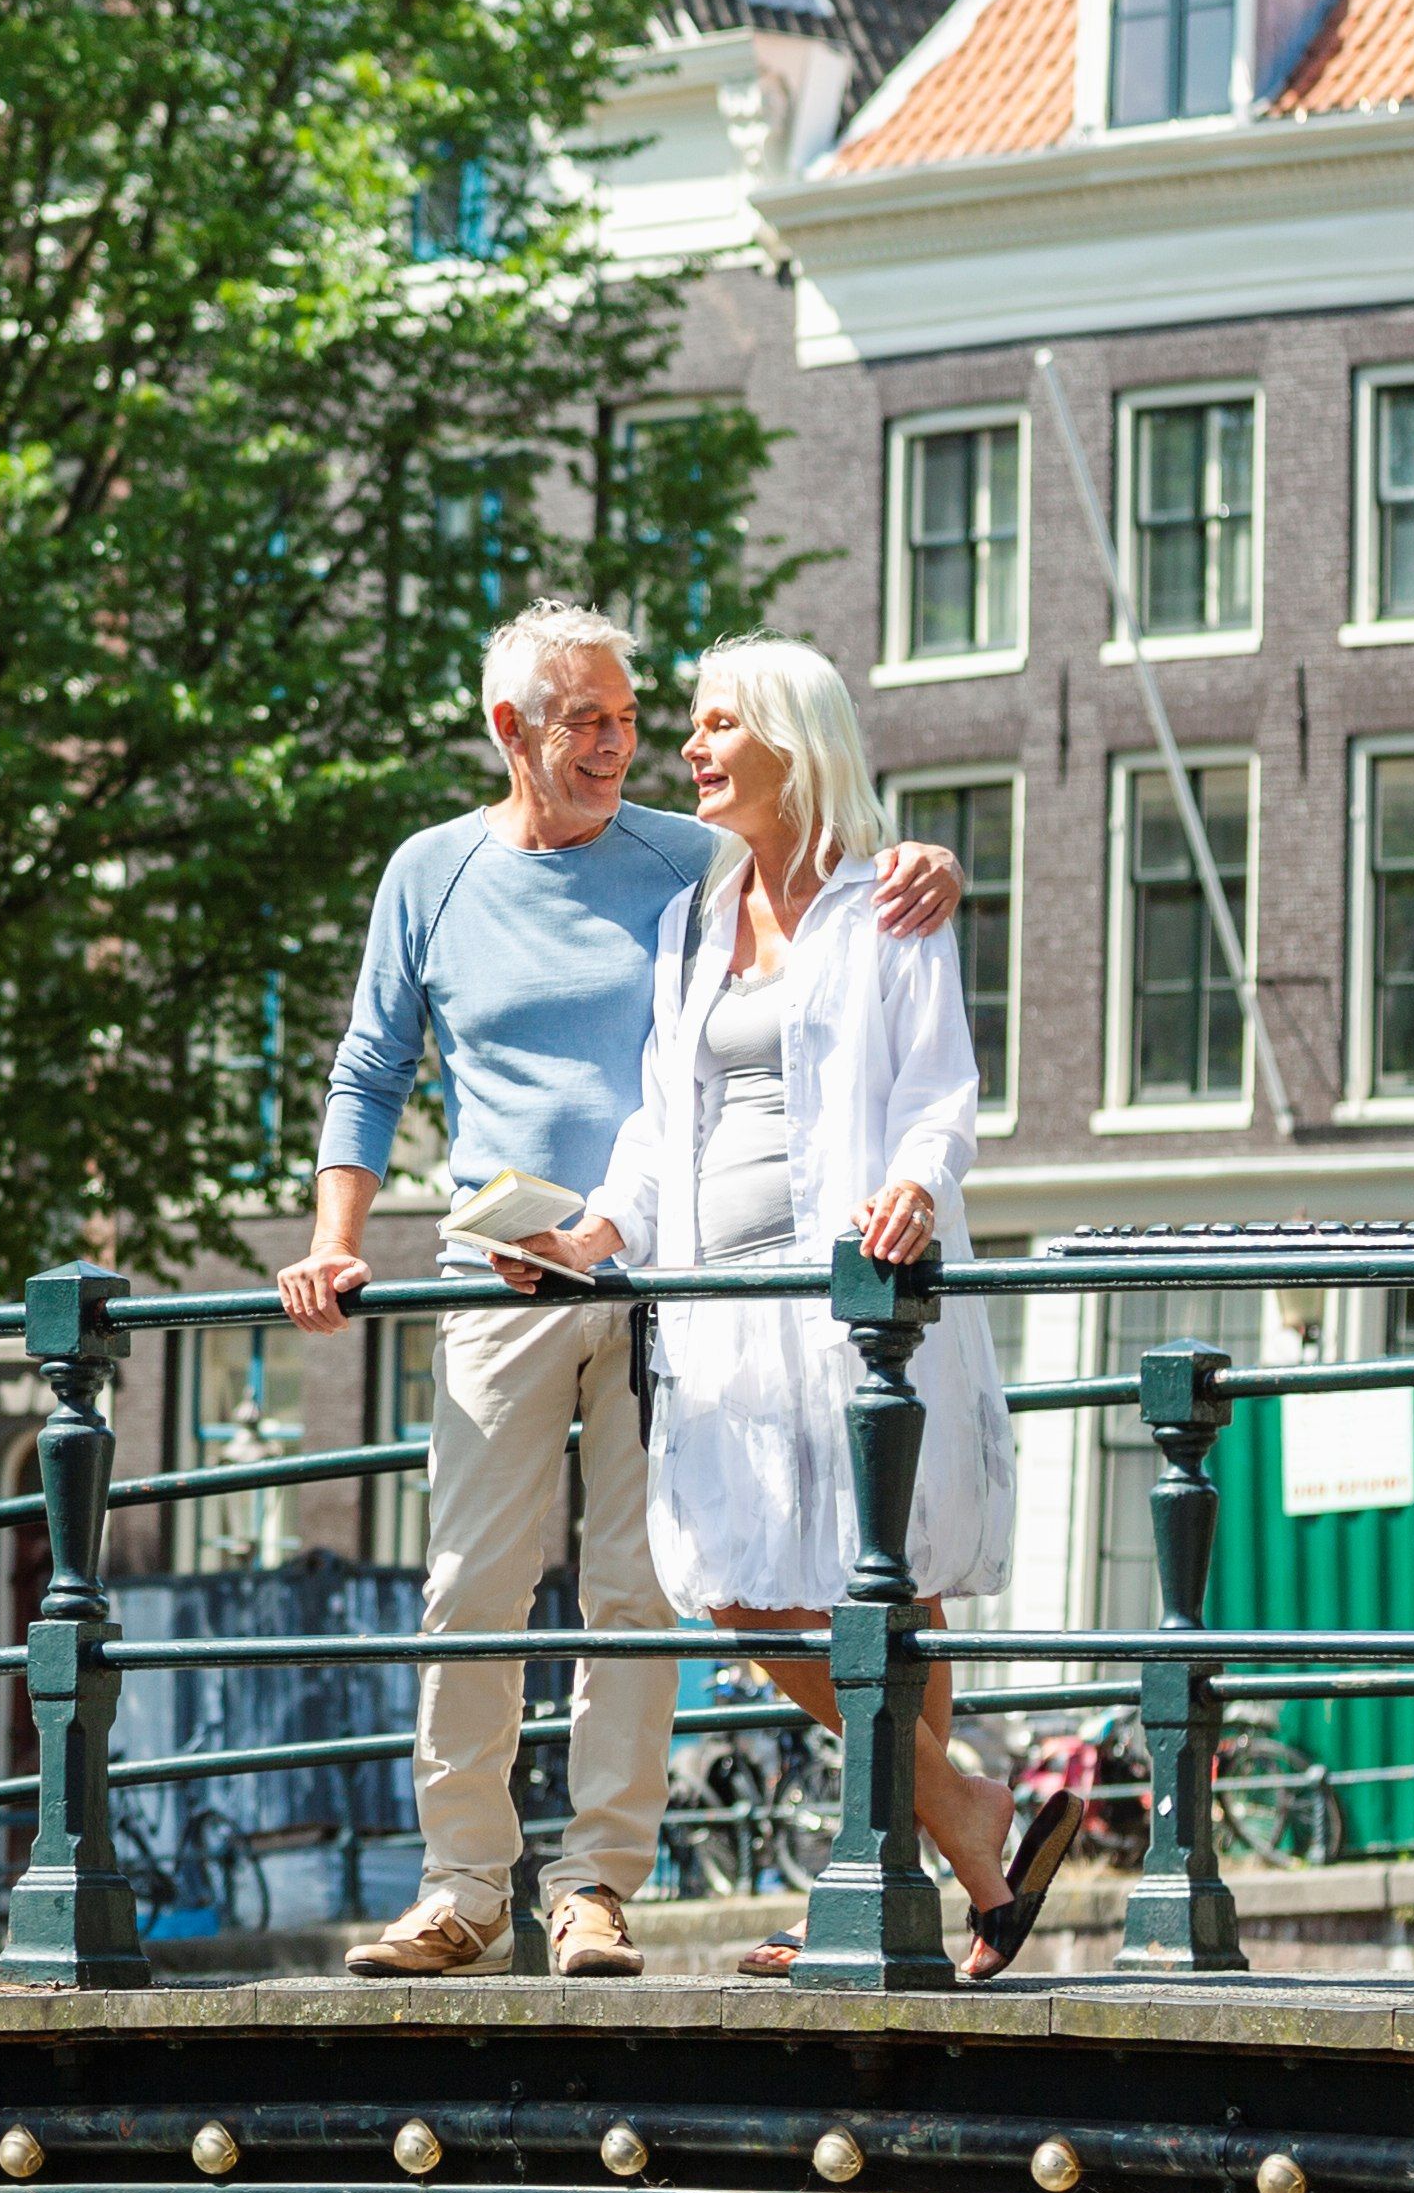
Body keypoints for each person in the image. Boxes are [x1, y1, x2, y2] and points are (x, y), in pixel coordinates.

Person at [282, 602, 963, 1979]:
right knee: (471, 1585)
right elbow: (369, 1066)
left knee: (636, 1593)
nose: (619, 745)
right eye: (584, 721)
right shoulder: (430, 874)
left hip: (665, 1277)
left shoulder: (685, 858)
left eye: (630, 716)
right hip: (498, 1274)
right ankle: (466, 1886)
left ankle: (597, 1889)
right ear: (507, 731)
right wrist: (334, 1237)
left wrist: (930, 862)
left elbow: (827, 862)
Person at [518, 630, 1080, 1980]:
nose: (692, 748)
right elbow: (665, 1124)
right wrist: (596, 1230)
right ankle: (969, 1817)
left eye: (718, 725)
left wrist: (911, 1187)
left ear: (791, 740)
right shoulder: (694, 922)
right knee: (737, 1585)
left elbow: (942, 1089)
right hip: (726, 1307)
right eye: (696, 727)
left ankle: (883, 1877)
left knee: (890, 1582)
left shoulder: (888, 897)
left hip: (857, 1296)